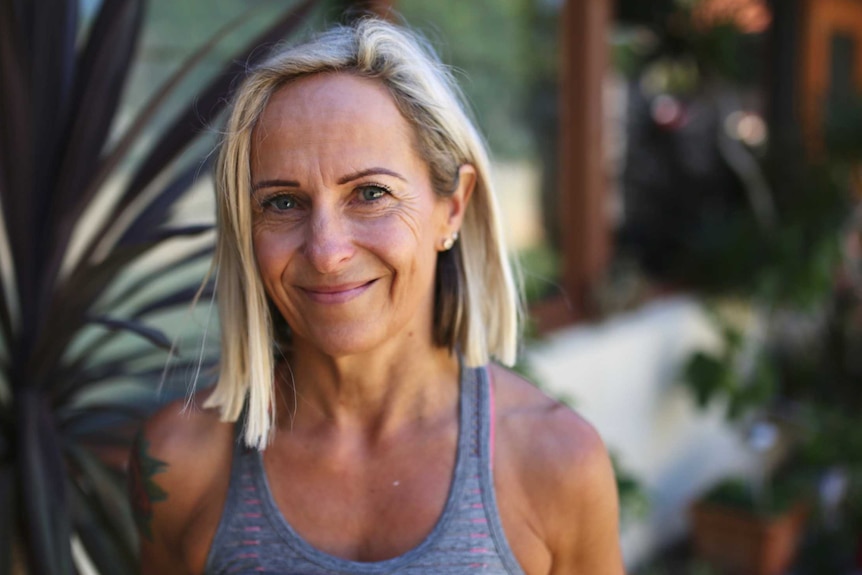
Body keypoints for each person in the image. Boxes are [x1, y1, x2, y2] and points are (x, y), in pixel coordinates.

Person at [130, 18, 625, 575]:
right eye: (283, 203)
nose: (325, 251)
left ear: (453, 207)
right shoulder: (182, 461)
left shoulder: (555, 462)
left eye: (370, 193)